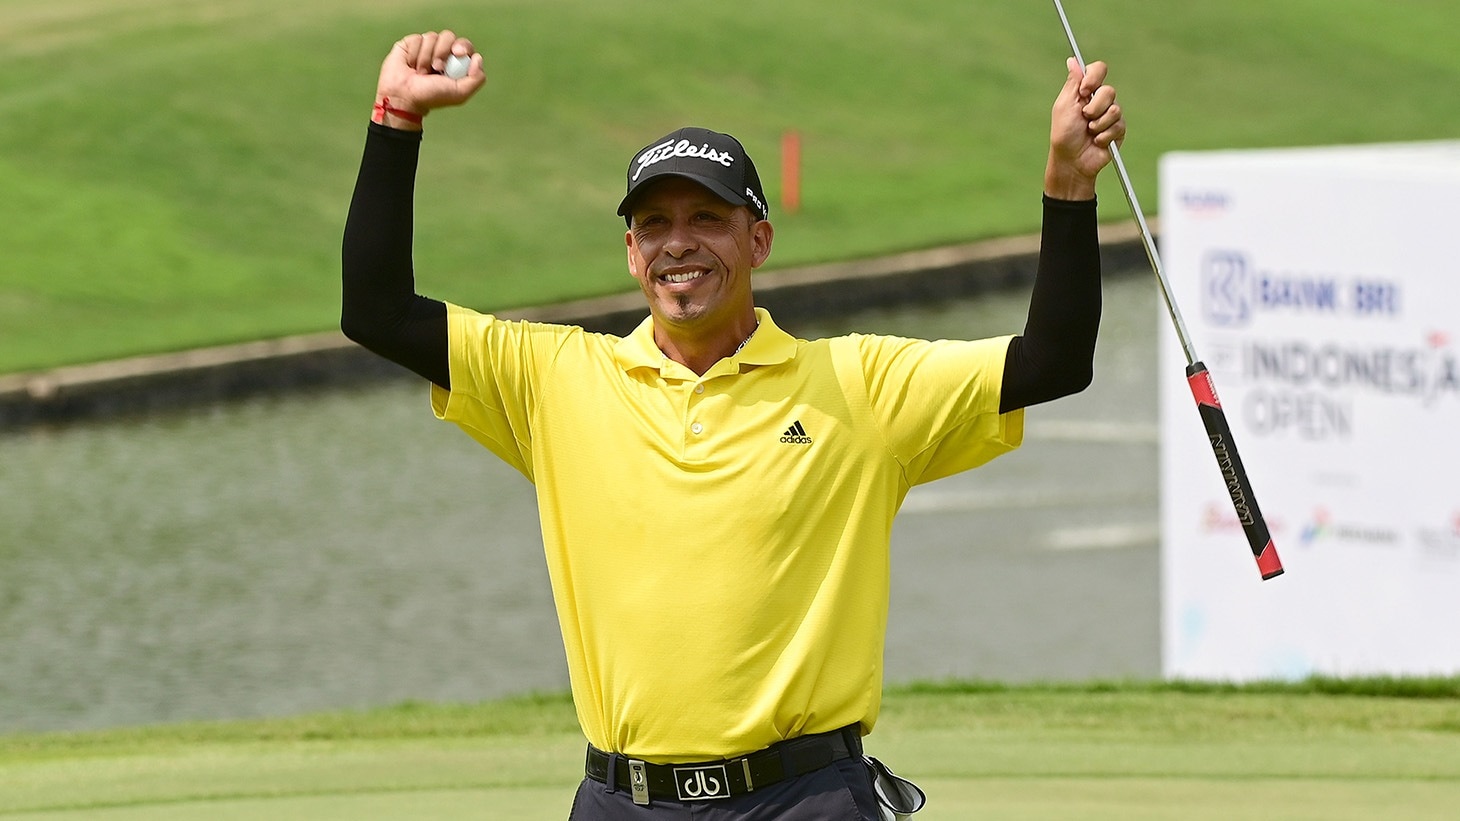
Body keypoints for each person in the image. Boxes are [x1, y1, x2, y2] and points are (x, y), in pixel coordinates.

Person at [342, 29, 1125, 821]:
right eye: (653, 223)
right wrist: (395, 117)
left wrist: (1067, 182)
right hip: (621, 802)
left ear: (759, 240)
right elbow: (376, 312)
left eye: (706, 218)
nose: (677, 243)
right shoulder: (553, 379)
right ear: (630, 252)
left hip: (803, 800)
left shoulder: (858, 385)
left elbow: (1053, 361)